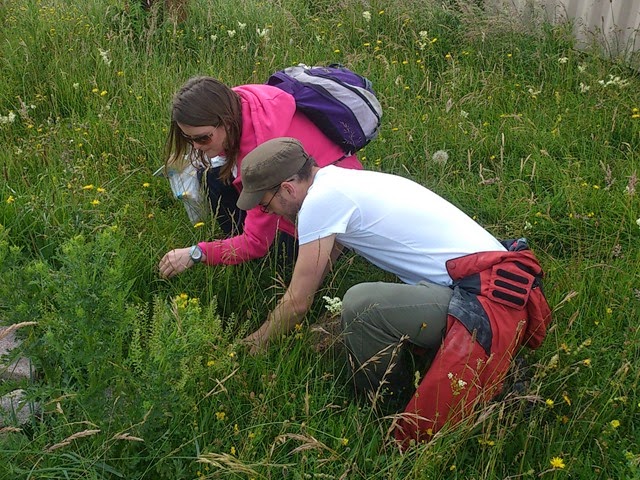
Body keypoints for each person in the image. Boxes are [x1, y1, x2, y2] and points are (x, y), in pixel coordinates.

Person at [236, 137, 552, 446]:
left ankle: (384, 404)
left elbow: (297, 303)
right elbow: (322, 268)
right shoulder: (339, 181)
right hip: (498, 286)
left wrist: (255, 343)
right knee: (337, 324)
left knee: (361, 306)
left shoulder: (319, 203)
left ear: (288, 188)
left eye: (266, 205)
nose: (271, 214)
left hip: (483, 302)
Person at [158, 76, 362, 279]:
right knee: (213, 176)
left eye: (203, 138)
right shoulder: (241, 102)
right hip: (318, 184)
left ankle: (253, 261)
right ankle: (235, 244)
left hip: (338, 220)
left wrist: (198, 253)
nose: (196, 146)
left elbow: (257, 243)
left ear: (227, 123)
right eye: (188, 139)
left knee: (281, 260)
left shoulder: (262, 153)